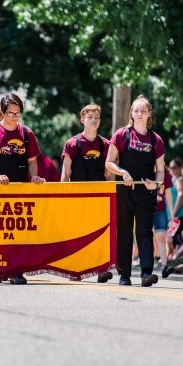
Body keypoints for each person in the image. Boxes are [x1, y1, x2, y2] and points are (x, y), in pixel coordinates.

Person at [0, 93, 45, 285]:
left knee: (19, 230)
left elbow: (32, 162)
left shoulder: (27, 134)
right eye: (10, 113)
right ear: (3, 112)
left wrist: (35, 177)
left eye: (17, 114)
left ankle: (17, 270)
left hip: (20, 190)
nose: (14, 117)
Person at [105, 95, 165, 286]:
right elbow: (109, 163)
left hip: (146, 192)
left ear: (149, 114)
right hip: (124, 190)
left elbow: (161, 170)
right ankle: (124, 275)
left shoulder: (156, 140)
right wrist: (123, 172)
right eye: (136, 110)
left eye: (143, 111)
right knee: (124, 232)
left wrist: (155, 184)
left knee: (145, 232)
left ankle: (147, 273)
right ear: (131, 113)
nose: (139, 114)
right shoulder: (122, 134)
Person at [60, 103, 114, 283]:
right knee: (76, 234)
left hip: (98, 198)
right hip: (77, 196)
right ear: (82, 120)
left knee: (99, 235)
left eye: (97, 117)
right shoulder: (72, 143)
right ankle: (74, 270)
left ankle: (101, 270)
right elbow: (65, 173)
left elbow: (109, 175)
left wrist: (110, 196)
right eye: (90, 117)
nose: (94, 120)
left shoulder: (106, 145)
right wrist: (64, 196)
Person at [168, 157, 183, 248]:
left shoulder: (180, 180)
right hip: (177, 214)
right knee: (172, 236)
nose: (172, 169)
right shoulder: (175, 179)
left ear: (180, 168)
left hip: (179, 214)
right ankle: (174, 255)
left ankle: (177, 255)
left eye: (174, 167)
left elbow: (181, 195)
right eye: (170, 167)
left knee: (173, 236)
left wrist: (173, 213)